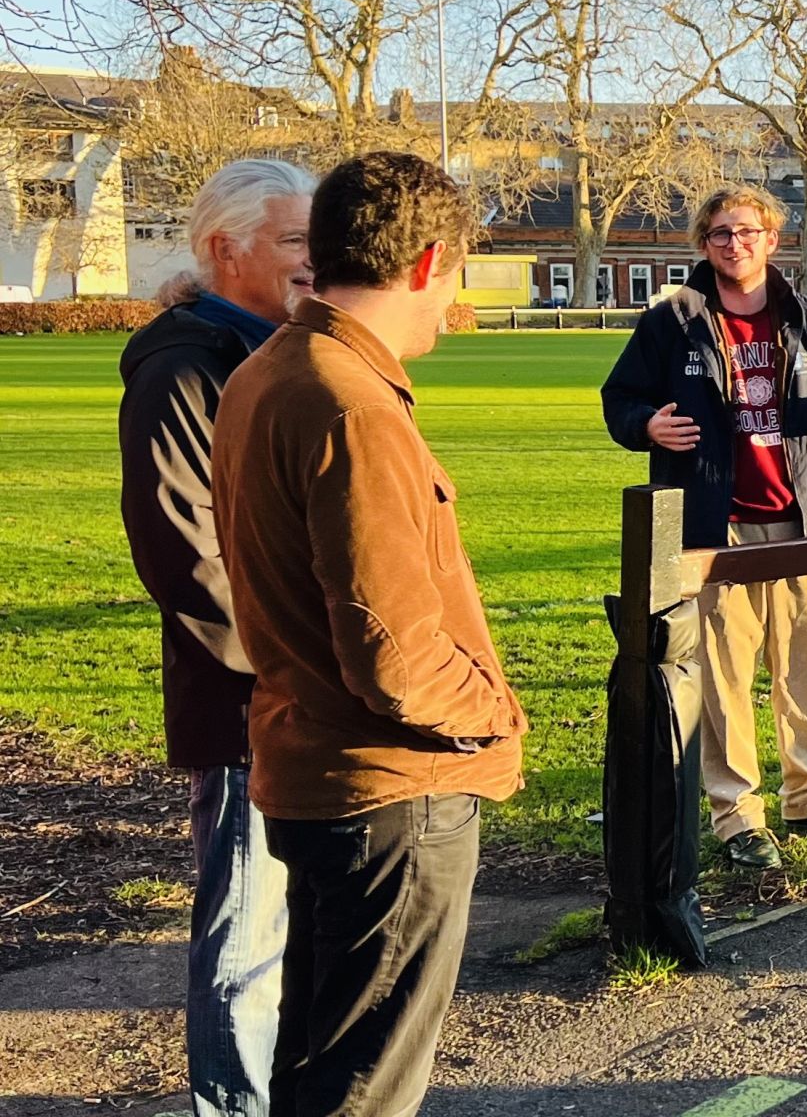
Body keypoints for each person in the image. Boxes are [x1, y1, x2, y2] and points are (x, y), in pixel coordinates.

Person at [212, 152, 526, 1116]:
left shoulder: (269, 371)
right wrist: (494, 714)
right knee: (364, 1090)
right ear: (429, 262)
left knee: (316, 1069)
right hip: (391, 790)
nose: (451, 302)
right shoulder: (349, 402)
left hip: (317, 770)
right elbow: (394, 652)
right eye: (457, 273)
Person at [601, 185, 807, 870]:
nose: (735, 244)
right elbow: (620, 399)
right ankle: (738, 816)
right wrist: (646, 425)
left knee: (806, 663)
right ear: (704, 244)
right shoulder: (673, 321)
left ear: (772, 239)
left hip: (804, 522)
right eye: (721, 234)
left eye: (748, 232)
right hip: (716, 525)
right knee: (724, 673)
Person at [118, 159, 315, 1117]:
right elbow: (183, 553)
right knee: (249, 933)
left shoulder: (285, 353)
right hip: (252, 705)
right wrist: (280, 673)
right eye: (295, 240)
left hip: (313, 698)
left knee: (300, 929)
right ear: (223, 248)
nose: (315, 260)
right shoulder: (184, 368)